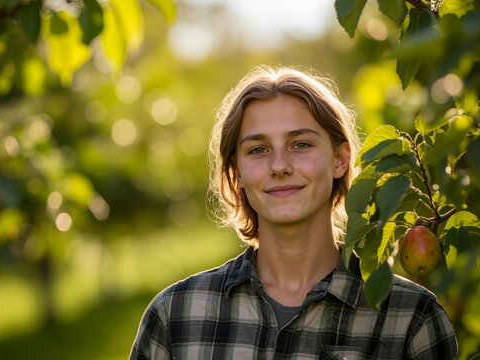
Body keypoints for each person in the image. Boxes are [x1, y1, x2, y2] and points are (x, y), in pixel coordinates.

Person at [129, 66, 458, 359]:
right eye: (258, 150)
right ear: (237, 174)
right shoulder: (175, 315)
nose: (280, 166)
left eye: (301, 144)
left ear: (340, 160)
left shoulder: (410, 319)